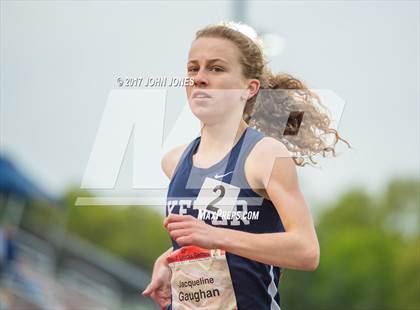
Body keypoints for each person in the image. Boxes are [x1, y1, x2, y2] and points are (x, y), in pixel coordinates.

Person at [142, 21, 350, 309]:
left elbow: (306, 250)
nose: (200, 78)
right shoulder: (175, 162)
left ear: (249, 88)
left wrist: (216, 237)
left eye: (216, 68)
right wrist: (169, 259)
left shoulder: (264, 155)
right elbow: (218, 233)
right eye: (193, 68)